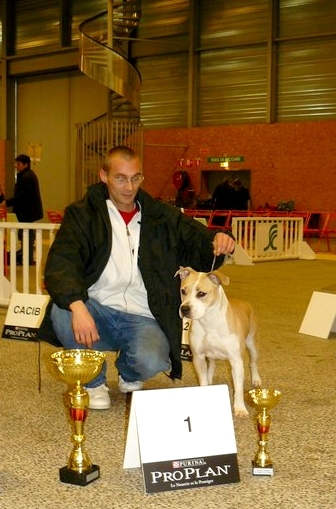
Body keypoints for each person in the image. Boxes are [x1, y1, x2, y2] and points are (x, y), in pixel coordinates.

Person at [40, 146, 235, 410]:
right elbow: (62, 263)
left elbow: (196, 239)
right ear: (104, 176)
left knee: (153, 358)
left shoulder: (160, 215)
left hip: (143, 315)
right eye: (120, 178)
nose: (129, 186)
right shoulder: (82, 214)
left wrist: (217, 239)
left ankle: (129, 374)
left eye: (136, 178)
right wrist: (77, 306)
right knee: (63, 311)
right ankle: (93, 382)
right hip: (98, 310)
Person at [0, 154, 43, 264]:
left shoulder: (26, 177)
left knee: (26, 234)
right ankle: (27, 258)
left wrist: (8, 202)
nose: (16, 166)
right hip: (28, 211)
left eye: (18, 164)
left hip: (27, 211)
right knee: (26, 234)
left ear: (25, 164)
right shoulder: (28, 175)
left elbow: (22, 196)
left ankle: (27, 259)